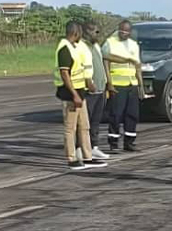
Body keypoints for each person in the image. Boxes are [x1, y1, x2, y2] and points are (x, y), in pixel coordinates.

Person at [54, 21, 107, 171]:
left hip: (80, 91)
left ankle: (87, 157)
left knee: (85, 126)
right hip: (70, 94)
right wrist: (74, 95)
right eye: (80, 33)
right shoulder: (64, 49)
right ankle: (71, 159)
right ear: (75, 33)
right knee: (70, 128)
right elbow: (65, 74)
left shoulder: (74, 47)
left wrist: (87, 83)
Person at [102, 20, 144, 152]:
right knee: (116, 114)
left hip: (132, 84)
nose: (123, 33)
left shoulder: (133, 45)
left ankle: (129, 142)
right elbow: (106, 62)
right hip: (117, 84)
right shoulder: (110, 42)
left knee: (132, 114)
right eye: (121, 30)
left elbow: (137, 66)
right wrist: (109, 83)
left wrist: (141, 86)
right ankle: (113, 143)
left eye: (126, 31)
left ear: (130, 32)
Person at [81, 21, 111, 161]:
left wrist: (106, 83)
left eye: (98, 31)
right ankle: (81, 149)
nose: (97, 34)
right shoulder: (83, 47)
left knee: (96, 121)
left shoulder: (96, 46)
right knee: (85, 122)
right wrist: (89, 82)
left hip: (100, 88)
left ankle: (94, 147)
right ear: (86, 32)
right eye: (94, 31)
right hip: (90, 90)